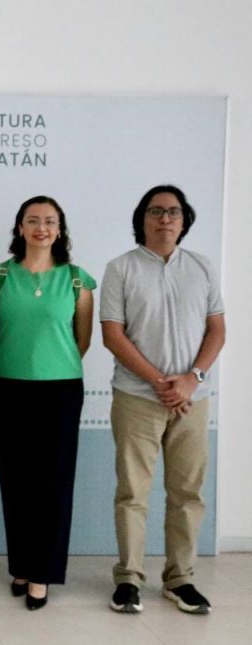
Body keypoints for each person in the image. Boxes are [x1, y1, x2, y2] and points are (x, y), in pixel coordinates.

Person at [102, 185, 225, 616]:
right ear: (143, 219)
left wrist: (192, 379)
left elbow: (217, 329)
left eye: (173, 212)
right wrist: (160, 382)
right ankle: (128, 579)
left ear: (184, 220)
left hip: (193, 400)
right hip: (136, 397)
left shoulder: (202, 267)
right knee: (132, 491)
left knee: (187, 492)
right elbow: (113, 334)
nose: (165, 219)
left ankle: (180, 579)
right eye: (156, 211)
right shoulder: (121, 268)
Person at [0, 195, 96, 610]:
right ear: (20, 227)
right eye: (33, 220)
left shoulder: (78, 280)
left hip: (60, 389)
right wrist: (15, 362)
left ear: (60, 229)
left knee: (53, 482)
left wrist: (51, 364)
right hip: (8, 385)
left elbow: (82, 340)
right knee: (15, 479)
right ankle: (21, 565)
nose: (41, 228)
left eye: (50, 221)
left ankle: (43, 572)